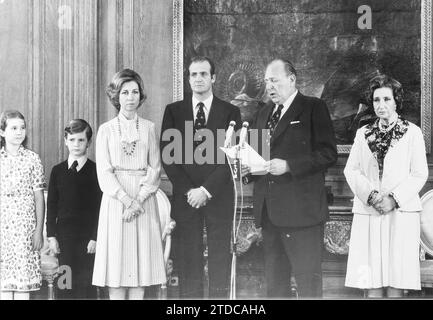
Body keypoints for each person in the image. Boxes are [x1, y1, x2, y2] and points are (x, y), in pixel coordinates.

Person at [242, 59, 337, 298]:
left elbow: (328, 154)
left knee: (308, 286)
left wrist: (289, 166)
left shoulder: (313, 107)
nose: (269, 87)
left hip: (302, 213)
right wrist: (246, 169)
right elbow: (257, 158)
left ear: (292, 79)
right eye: (266, 82)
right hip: (269, 213)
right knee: (275, 287)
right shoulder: (263, 113)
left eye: (274, 80)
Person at [160, 56, 241, 298]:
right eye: (193, 74)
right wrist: (189, 191)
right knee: (188, 261)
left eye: (203, 74)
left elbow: (232, 158)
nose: (198, 79)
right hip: (186, 199)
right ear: (188, 79)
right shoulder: (174, 111)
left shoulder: (231, 111)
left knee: (219, 258)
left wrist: (205, 190)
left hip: (218, 197)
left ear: (213, 78)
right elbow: (169, 157)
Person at [344, 74, 428, 298]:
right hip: (369, 211)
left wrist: (393, 199)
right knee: (371, 284)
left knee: (396, 283)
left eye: (386, 99)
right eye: (376, 100)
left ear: (396, 101)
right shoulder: (363, 134)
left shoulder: (412, 133)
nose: (381, 105)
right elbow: (351, 170)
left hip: (400, 213)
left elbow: (420, 173)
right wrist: (371, 196)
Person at [92, 69, 166, 300]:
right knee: (117, 266)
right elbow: (104, 172)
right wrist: (126, 201)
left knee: (140, 266)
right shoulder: (105, 130)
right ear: (117, 95)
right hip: (116, 202)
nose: (131, 97)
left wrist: (139, 200)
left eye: (135, 92)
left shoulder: (149, 128)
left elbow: (154, 168)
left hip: (143, 201)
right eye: (125, 92)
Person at [46, 119, 102, 299]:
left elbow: (100, 208)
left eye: (81, 140)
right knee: (65, 282)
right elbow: (52, 206)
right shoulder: (57, 171)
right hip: (64, 239)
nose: (76, 145)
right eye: (72, 140)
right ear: (65, 140)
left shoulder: (96, 171)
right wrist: (52, 236)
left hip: (87, 240)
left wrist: (95, 237)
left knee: (86, 284)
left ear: (89, 142)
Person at [0, 110, 46, 300]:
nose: (19, 132)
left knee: (22, 284)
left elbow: (38, 198)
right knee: (4, 283)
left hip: (25, 228)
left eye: (22, 128)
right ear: (2, 132)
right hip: (3, 228)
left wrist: (38, 230)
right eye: (13, 128)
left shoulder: (32, 159)